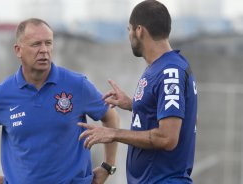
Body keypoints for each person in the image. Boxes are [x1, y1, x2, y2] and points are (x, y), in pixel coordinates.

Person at [0, 18, 119, 184]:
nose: (44, 50)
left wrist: (108, 166)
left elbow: (110, 116)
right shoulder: (2, 94)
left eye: (48, 43)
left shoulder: (77, 85)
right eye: (36, 44)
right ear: (18, 50)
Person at [78, 0, 198, 183]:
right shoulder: (160, 67)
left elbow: (168, 137)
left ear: (139, 30)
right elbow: (175, 113)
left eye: (129, 29)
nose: (129, 35)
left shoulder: (170, 71)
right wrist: (134, 105)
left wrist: (114, 133)